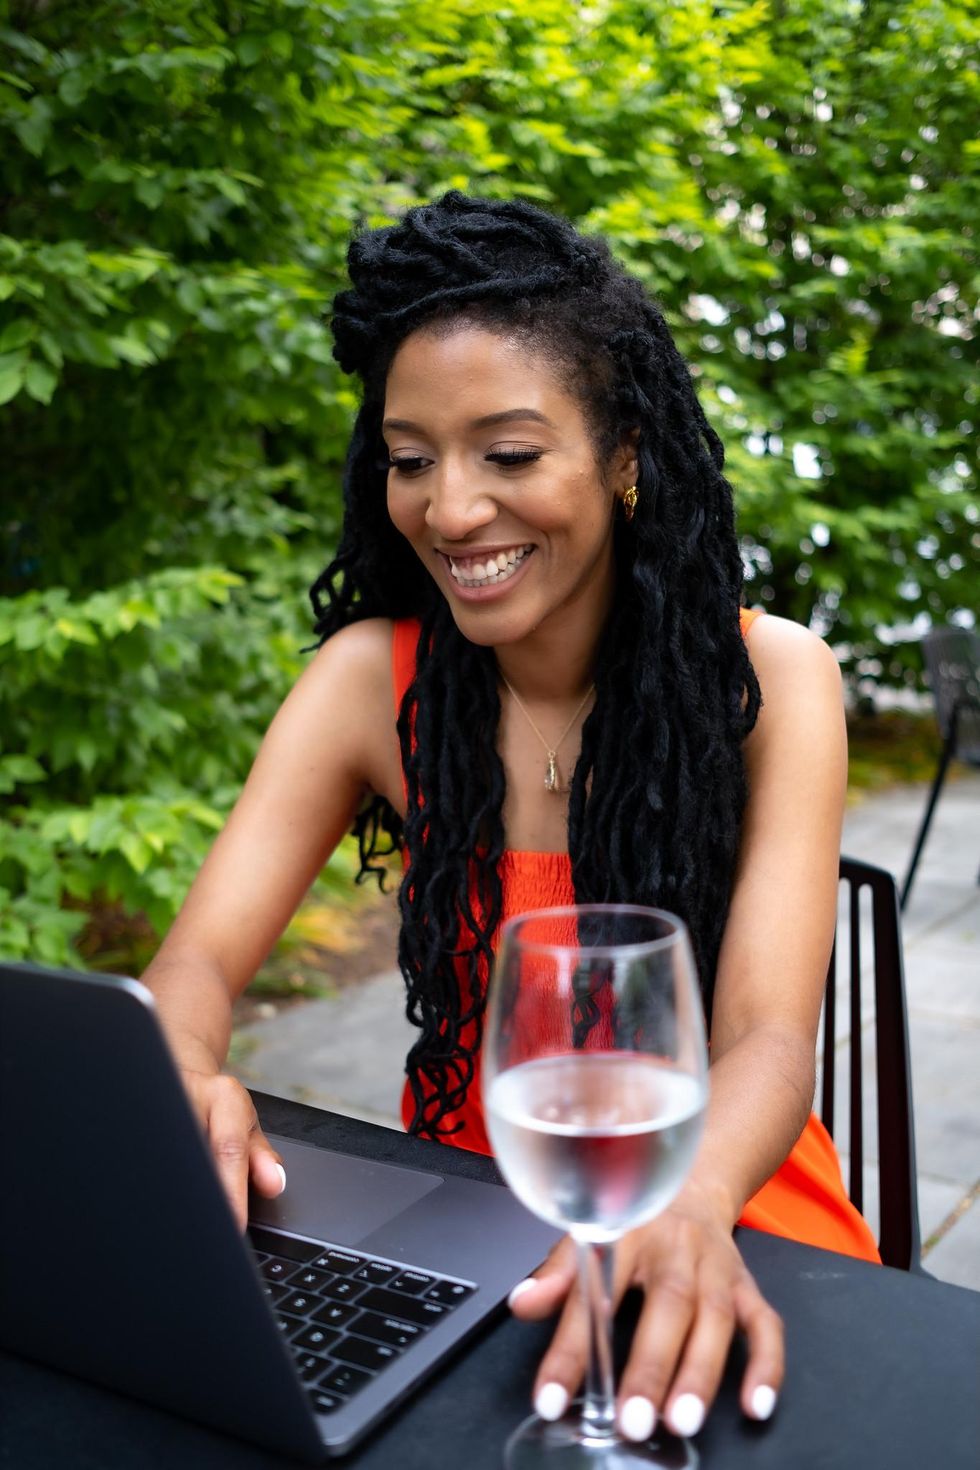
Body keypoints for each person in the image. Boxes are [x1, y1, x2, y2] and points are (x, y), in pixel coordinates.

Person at [143, 191, 878, 1448]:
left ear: (625, 456)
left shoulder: (770, 682)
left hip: (717, 1199)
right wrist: (186, 1070)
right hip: (466, 1221)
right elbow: (192, 967)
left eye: (510, 455)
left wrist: (691, 1202)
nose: (449, 510)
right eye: (410, 459)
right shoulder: (370, 684)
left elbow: (765, 1035)